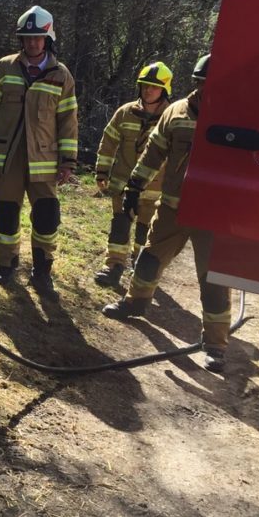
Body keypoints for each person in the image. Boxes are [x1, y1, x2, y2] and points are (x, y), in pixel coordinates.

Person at [102, 54, 232, 372]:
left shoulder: (235, 116)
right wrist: (134, 185)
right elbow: (154, 151)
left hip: (213, 217)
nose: (208, 89)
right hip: (172, 208)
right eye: (203, 83)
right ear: (197, 83)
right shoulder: (176, 112)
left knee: (213, 280)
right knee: (149, 259)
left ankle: (215, 344)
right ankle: (135, 303)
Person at [0, 5, 78, 300]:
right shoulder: (3, 68)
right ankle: (6, 266)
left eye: (37, 38)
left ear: (48, 39)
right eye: (27, 38)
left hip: (44, 159)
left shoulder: (61, 76)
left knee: (46, 217)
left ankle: (42, 272)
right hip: (9, 158)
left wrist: (68, 161)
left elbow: (68, 121)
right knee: (6, 213)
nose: (32, 43)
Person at [93, 62, 172, 287]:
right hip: (123, 185)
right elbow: (108, 142)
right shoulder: (126, 112)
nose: (148, 91)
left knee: (145, 232)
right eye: (145, 86)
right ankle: (113, 266)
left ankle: (140, 270)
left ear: (164, 90)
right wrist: (102, 172)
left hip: (154, 190)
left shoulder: (171, 117)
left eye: (154, 87)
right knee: (119, 225)